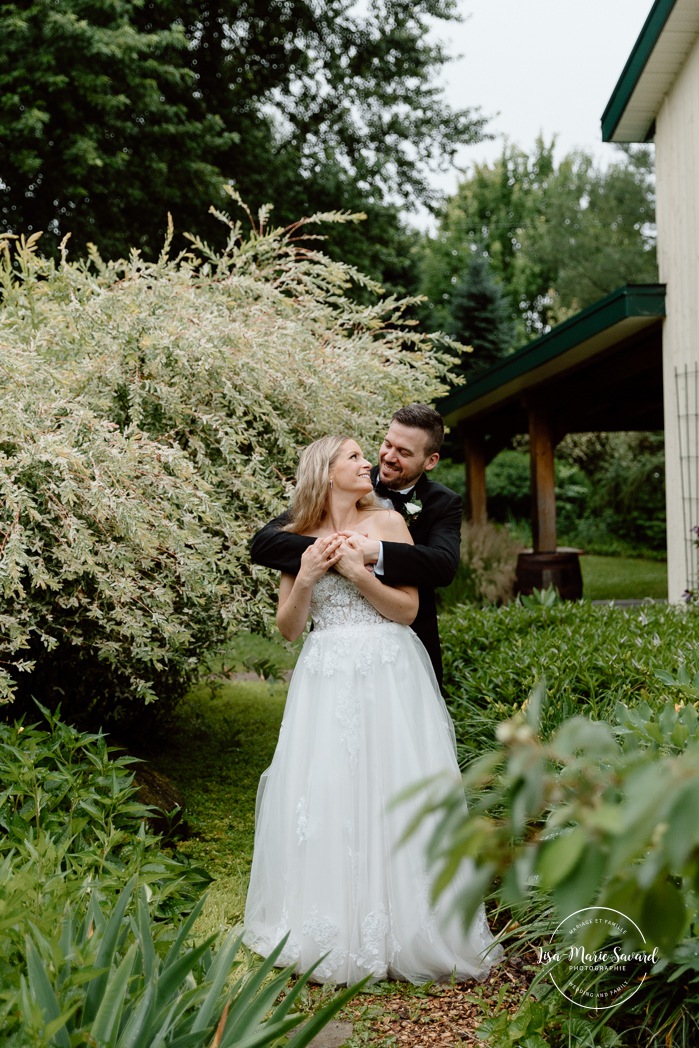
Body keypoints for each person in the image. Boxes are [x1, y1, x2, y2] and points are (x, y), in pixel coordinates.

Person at [243, 435, 502, 984]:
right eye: (356, 457)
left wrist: (360, 573)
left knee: (396, 788)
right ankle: (331, 926)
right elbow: (288, 630)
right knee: (329, 790)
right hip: (325, 674)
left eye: (368, 455)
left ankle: (410, 927)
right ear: (327, 471)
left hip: (389, 670)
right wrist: (309, 576)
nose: (369, 465)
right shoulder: (296, 538)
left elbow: (408, 610)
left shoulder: (387, 524)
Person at [250, 404, 462, 688]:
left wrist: (372, 551)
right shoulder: (350, 482)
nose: (388, 457)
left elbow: (443, 566)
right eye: (388, 444)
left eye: (404, 452)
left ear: (430, 460)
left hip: (403, 655)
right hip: (332, 660)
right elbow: (266, 543)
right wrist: (335, 553)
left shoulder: (441, 503)